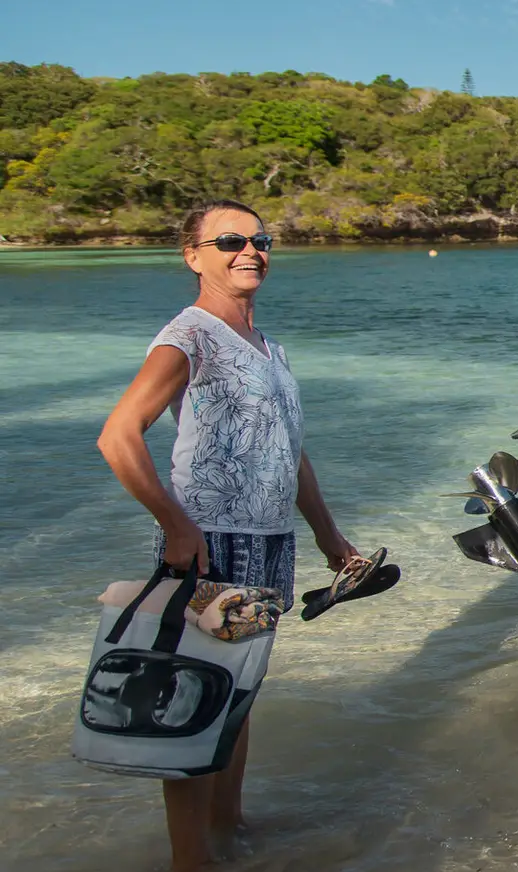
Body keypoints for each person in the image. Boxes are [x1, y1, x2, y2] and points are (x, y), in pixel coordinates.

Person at [97, 199, 362, 872]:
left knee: (237, 695)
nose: (250, 249)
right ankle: (194, 859)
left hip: (268, 546)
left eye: (260, 239)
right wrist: (176, 525)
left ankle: (232, 831)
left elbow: (290, 451)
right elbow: (118, 436)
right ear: (194, 256)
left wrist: (330, 538)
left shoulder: (270, 348)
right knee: (193, 704)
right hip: (212, 545)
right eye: (230, 240)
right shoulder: (187, 335)